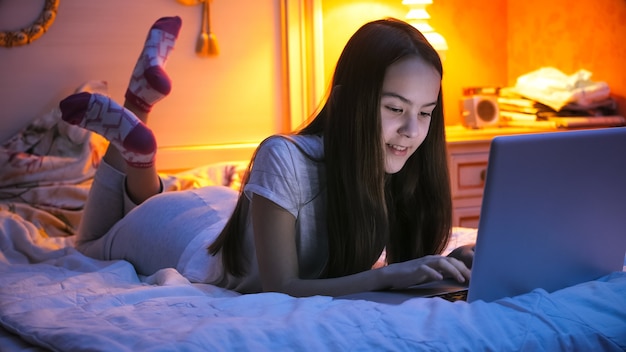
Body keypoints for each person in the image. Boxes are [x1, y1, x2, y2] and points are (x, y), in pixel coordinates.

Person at [59, 16, 474, 298]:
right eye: (395, 108)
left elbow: (395, 265)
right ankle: (139, 138)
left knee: (130, 210)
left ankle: (137, 119)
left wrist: (442, 266)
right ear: (351, 101)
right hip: (180, 233)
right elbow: (281, 289)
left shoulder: (399, 166)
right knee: (89, 245)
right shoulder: (286, 156)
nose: (412, 131)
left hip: (221, 215)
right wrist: (387, 277)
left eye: (425, 112)